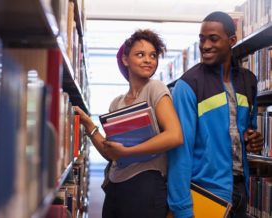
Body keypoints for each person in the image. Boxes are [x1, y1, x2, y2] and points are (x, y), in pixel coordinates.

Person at [74, 29, 183, 218]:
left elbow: (175, 135)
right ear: (125, 59)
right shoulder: (117, 103)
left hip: (146, 186)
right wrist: (88, 124)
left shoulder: (155, 88)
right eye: (140, 54)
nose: (148, 60)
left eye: (153, 55)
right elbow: (111, 154)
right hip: (115, 186)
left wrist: (128, 152)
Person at [167, 11, 264, 218]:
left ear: (231, 41)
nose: (205, 45)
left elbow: (248, 131)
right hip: (206, 193)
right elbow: (179, 153)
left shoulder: (249, 81)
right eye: (201, 39)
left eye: (213, 39)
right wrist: (182, 209)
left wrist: (252, 140)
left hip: (241, 192)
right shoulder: (188, 85)